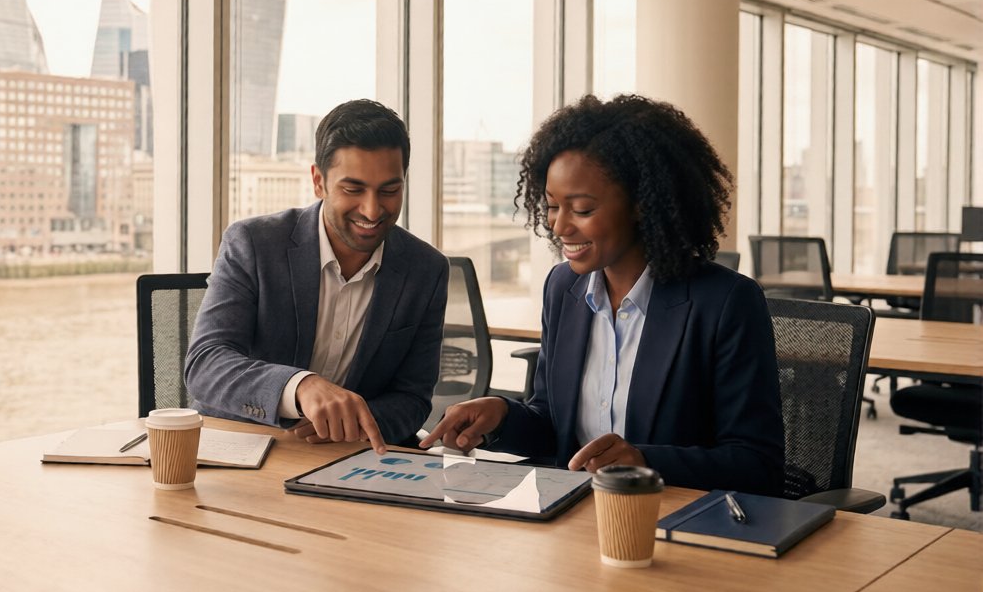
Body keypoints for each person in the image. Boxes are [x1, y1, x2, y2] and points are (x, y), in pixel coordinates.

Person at [421, 94, 784, 495]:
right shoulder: (564, 289)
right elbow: (554, 428)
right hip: (572, 516)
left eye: (581, 209)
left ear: (641, 205)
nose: (559, 227)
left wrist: (645, 462)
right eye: (552, 206)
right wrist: (503, 416)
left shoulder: (726, 302)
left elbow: (757, 465)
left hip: (668, 523)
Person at [186, 99, 449, 454]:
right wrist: (299, 387)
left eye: (389, 190)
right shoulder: (254, 243)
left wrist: (353, 423)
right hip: (245, 448)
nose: (372, 210)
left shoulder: (426, 270)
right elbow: (206, 363)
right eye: (353, 189)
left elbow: (413, 398)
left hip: (348, 457)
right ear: (318, 181)